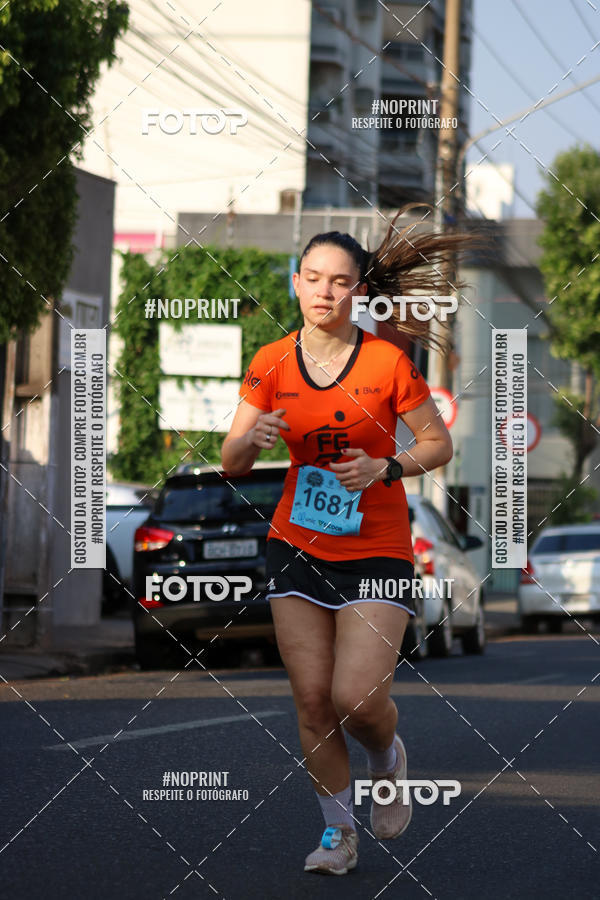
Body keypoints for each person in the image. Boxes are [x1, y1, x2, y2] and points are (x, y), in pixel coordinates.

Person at [221, 207, 465, 876]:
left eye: (340, 281)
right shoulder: (270, 363)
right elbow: (232, 460)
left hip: (379, 548)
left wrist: (386, 466)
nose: (325, 291)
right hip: (297, 543)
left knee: (357, 698)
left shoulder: (386, 361)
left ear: (358, 291)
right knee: (311, 700)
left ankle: (388, 760)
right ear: (296, 284)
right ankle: (338, 836)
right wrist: (254, 437)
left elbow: (438, 442)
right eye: (314, 278)